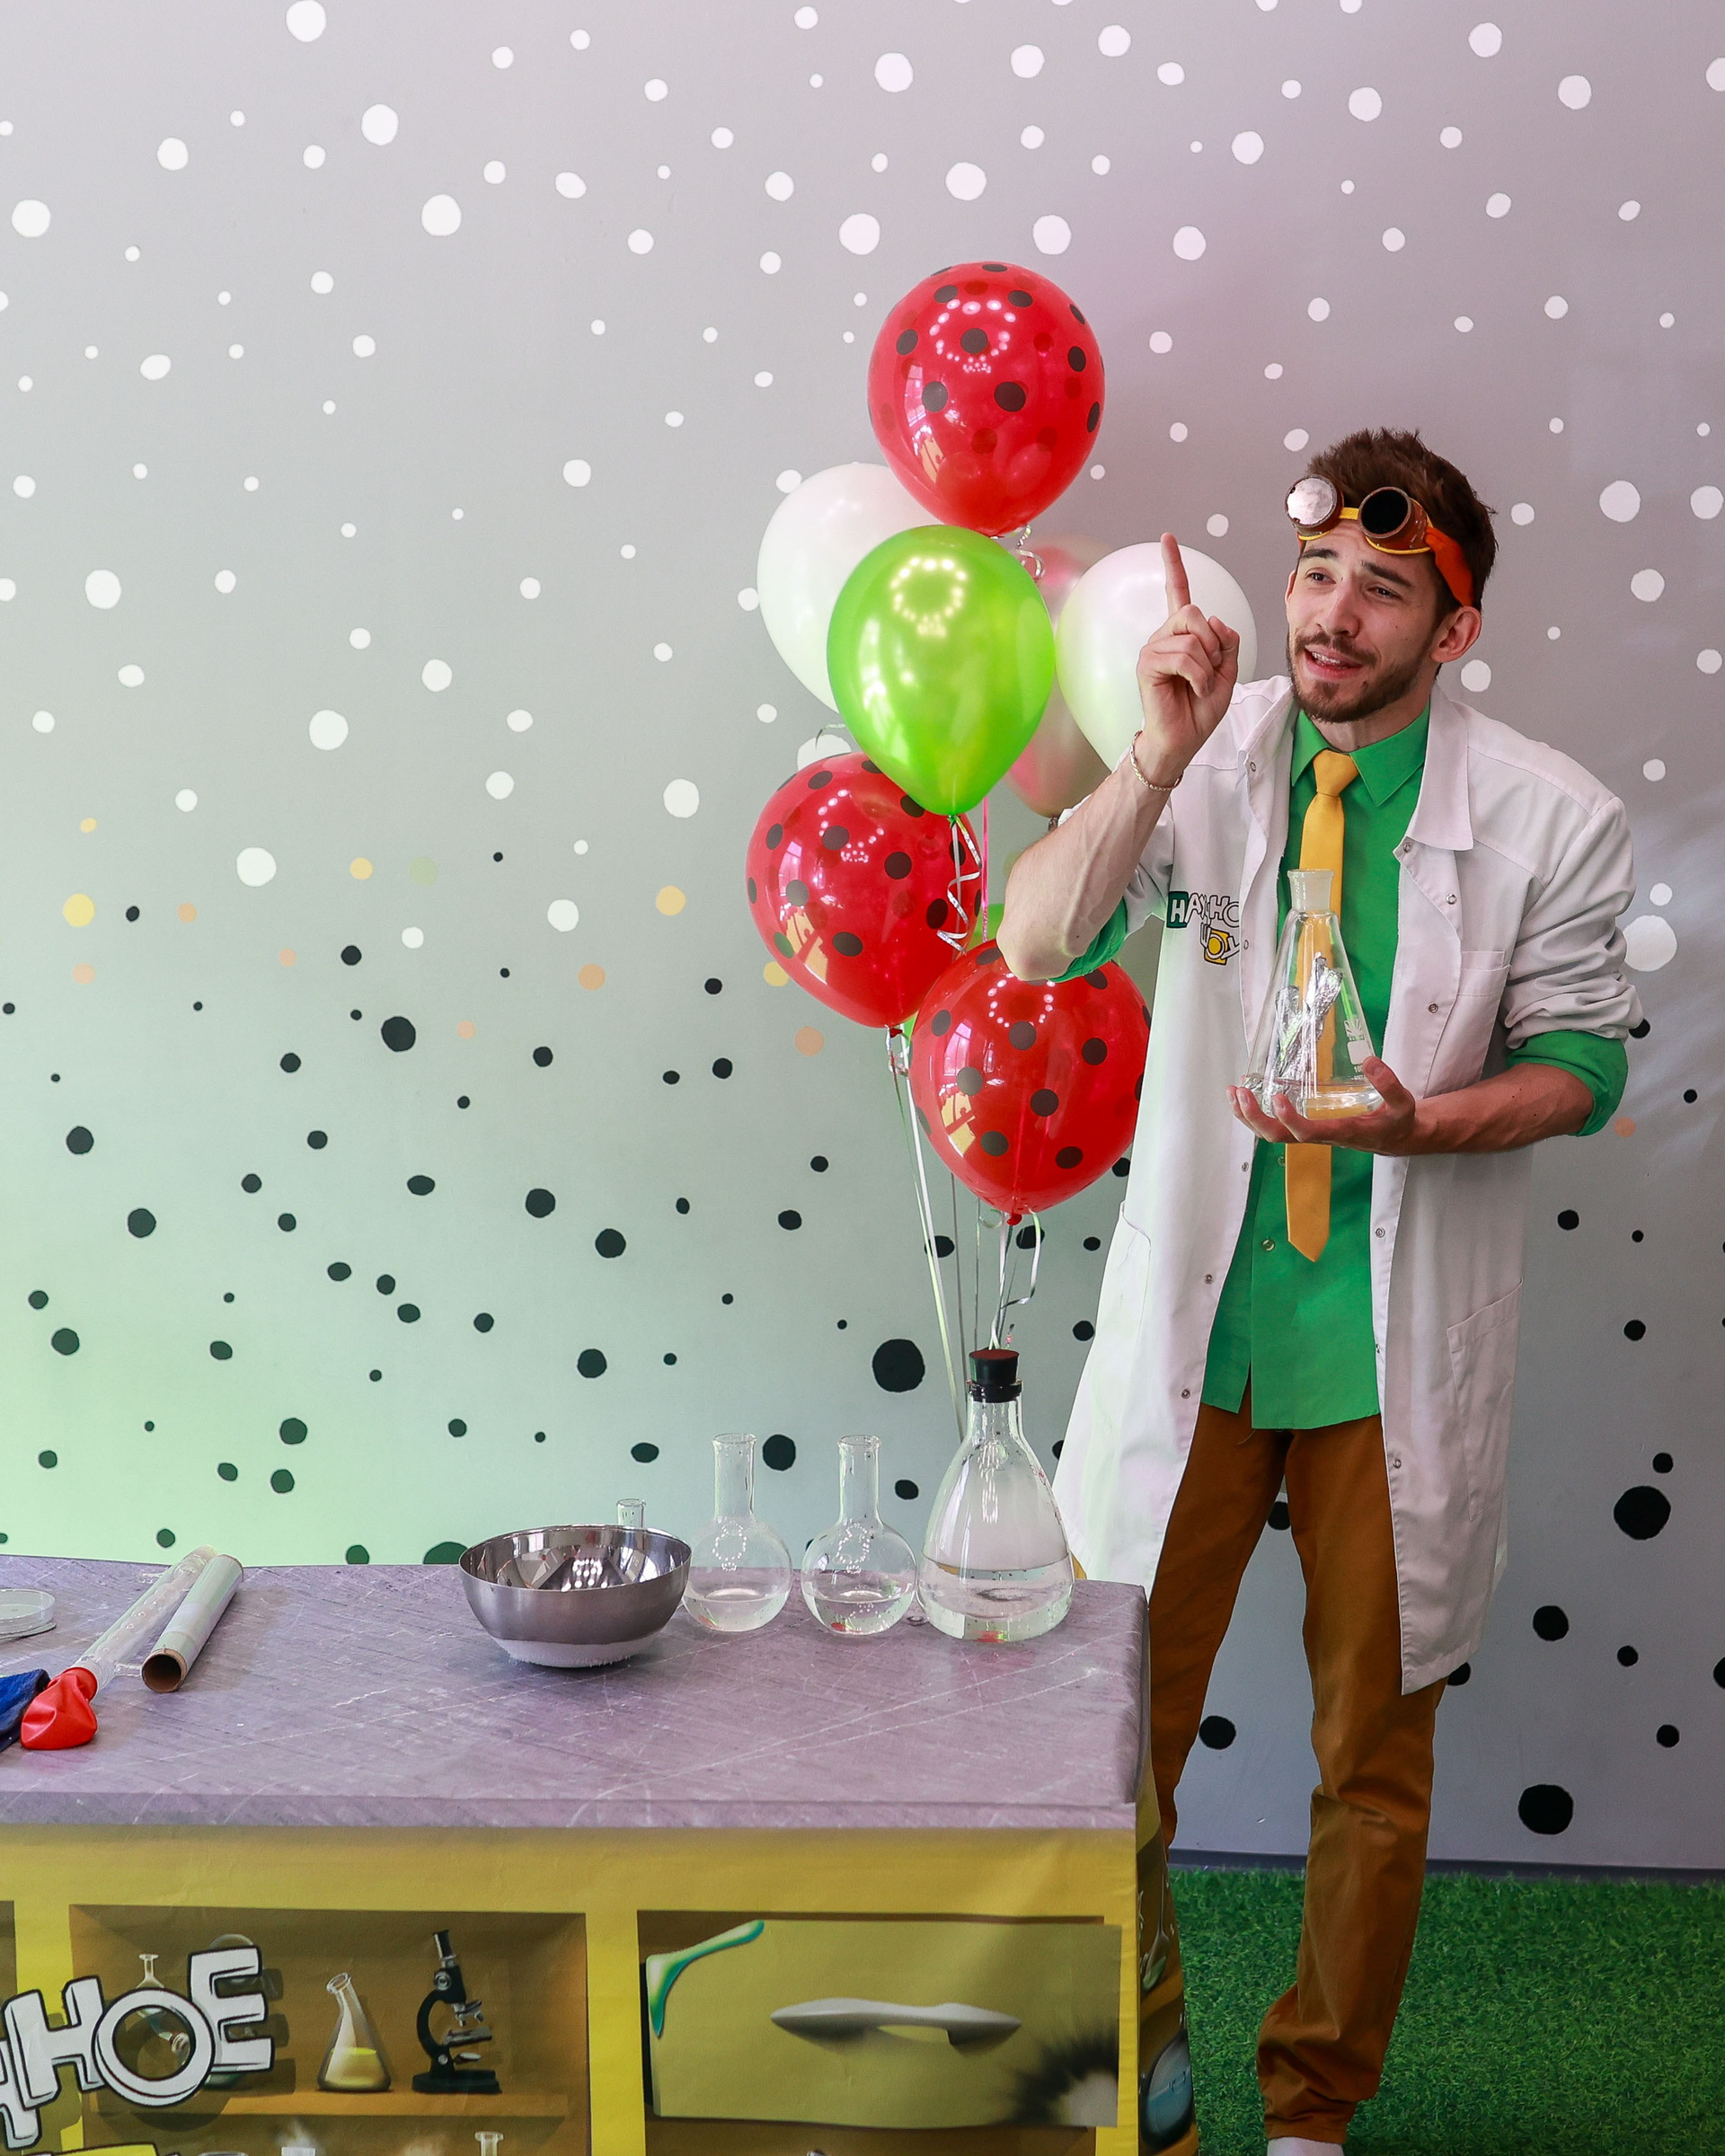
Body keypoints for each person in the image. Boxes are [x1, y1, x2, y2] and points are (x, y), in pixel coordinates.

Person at [997, 429, 1639, 2153]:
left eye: (1383, 588)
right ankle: (1141, 2074)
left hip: (1386, 1357)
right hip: (1202, 1344)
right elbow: (1038, 941)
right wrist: (1150, 756)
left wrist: (1421, 1124)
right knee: (1107, 1744)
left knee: (1373, 1758)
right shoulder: (1203, 756)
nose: (1332, 616)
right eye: (1316, 575)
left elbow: (1585, 1068)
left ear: (1456, 626)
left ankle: (1311, 2114)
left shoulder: (1551, 818)